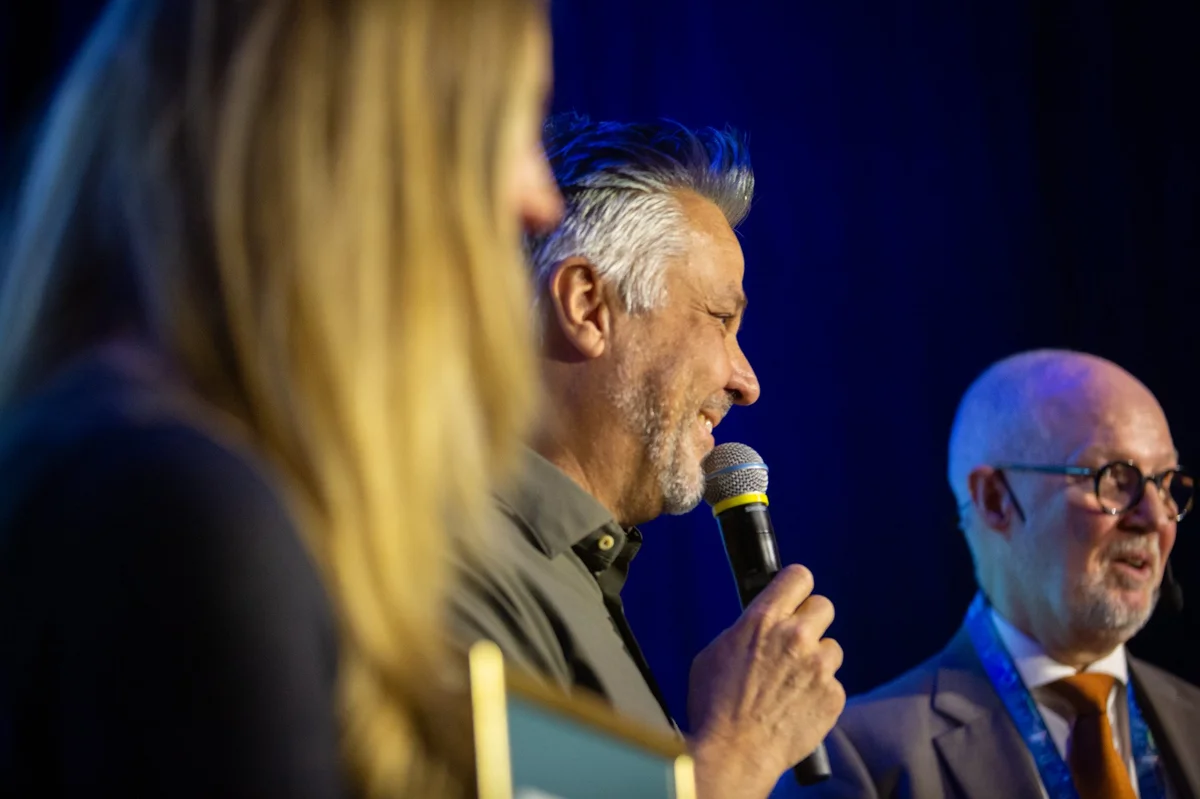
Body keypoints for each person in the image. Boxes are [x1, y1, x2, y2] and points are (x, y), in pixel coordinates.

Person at [0, 0, 561, 796]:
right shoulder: (184, 512)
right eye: (515, 126)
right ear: (366, 149)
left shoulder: (134, 461)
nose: (543, 201)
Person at [451, 115, 845, 799]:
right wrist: (739, 750)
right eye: (720, 319)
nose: (747, 381)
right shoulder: (449, 571)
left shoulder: (580, 579)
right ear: (587, 306)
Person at [800, 349, 1200, 799]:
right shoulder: (860, 759)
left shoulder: (1193, 720)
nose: (1156, 517)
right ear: (995, 499)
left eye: (1167, 483)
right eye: (1116, 478)